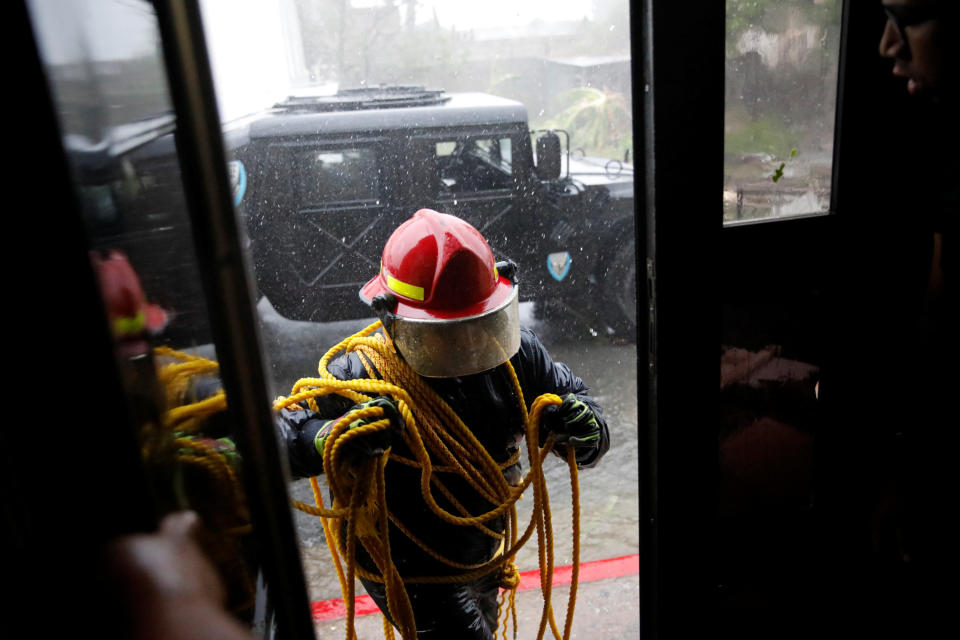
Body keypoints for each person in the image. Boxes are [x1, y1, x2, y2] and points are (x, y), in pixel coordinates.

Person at [276, 208, 610, 639]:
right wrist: (324, 439)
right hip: (407, 565)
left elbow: (580, 406)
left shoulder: (518, 355)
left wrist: (584, 430)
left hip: (482, 550)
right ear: (389, 319)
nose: (465, 347)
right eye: (441, 335)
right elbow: (276, 442)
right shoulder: (360, 375)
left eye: (476, 327)